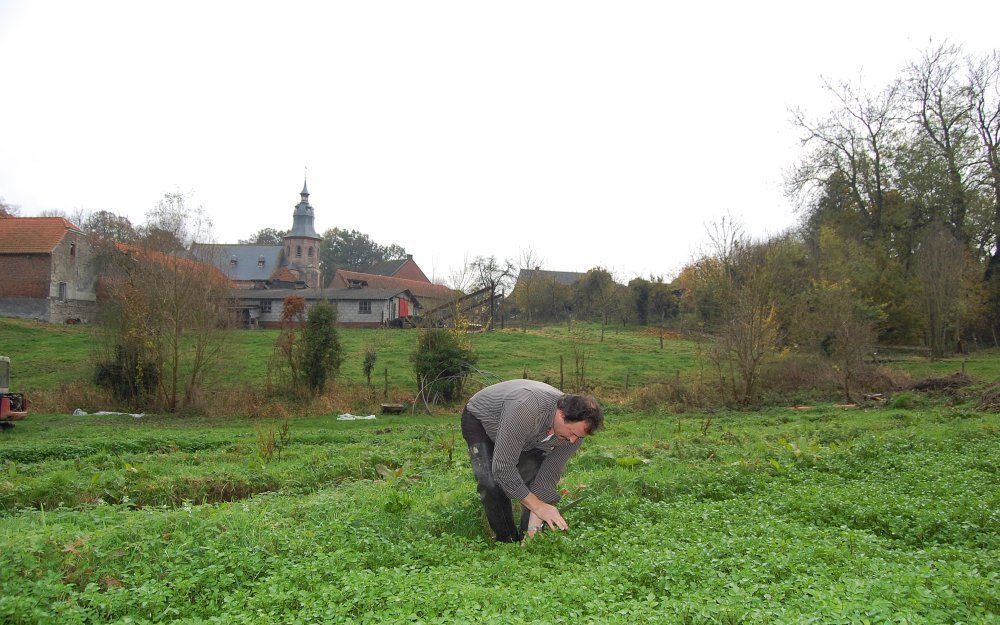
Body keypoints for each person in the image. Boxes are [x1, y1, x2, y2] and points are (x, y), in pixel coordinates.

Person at [461, 379, 603, 542]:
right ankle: (506, 540)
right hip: (483, 420)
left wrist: (533, 528)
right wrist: (539, 506)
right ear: (562, 415)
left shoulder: (575, 435)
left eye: (578, 436)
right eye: (571, 433)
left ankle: (526, 538)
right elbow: (503, 468)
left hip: (528, 433)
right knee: (491, 483)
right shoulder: (526, 408)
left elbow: (548, 476)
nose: (573, 441)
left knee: (531, 476)